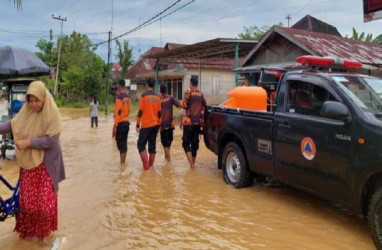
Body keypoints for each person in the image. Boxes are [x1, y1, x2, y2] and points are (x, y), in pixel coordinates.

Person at [0, 81, 65, 245]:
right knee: (28, 203)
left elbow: (51, 140)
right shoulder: (26, 111)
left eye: (37, 100)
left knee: (44, 204)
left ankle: (45, 235)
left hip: (46, 164)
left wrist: (28, 143)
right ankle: (28, 234)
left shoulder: (52, 113)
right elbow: (13, 125)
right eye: (30, 100)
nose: (33, 104)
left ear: (44, 98)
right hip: (29, 163)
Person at [179, 76, 207, 169]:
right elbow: (205, 106)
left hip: (188, 123)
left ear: (190, 83)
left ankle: (191, 166)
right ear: (197, 84)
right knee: (194, 145)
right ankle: (193, 165)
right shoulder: (200, 94)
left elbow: (183, 109)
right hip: (197, 124)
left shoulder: (188, 93)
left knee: (185, 144)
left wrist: (180, 121)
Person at [136, 78, 161, 170]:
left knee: (141, 145)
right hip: (155, 125)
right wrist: (159, 125)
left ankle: (146, 166)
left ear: (147, 85)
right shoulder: (158, 97)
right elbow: (159, 113)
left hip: (146, 125)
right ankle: (150, 167)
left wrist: (138, 124)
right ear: (154, 86)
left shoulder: (143, 96)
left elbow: (140, 112)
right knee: (152, 146)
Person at [159, 84, 181, 162]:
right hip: (170, 125)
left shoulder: (158, 99)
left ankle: (168, 162)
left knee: (165, 145)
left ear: (160, 91)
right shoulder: (171, 98)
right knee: (168, 143)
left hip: (162, 126)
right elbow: (179, 105)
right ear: (167, 90)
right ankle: (167, 159)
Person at [112, 79, 131, 164]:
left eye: (117, 85)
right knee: (124, 143)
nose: (116, 87)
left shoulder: (119, 98)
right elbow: (128, 110)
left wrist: (115, 126)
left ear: (119, 85)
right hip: (126, 122)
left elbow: (118, 112)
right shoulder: (127, 97)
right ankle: (123, 163)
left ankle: (122, 164)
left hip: (121, 123)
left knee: (121, 144)